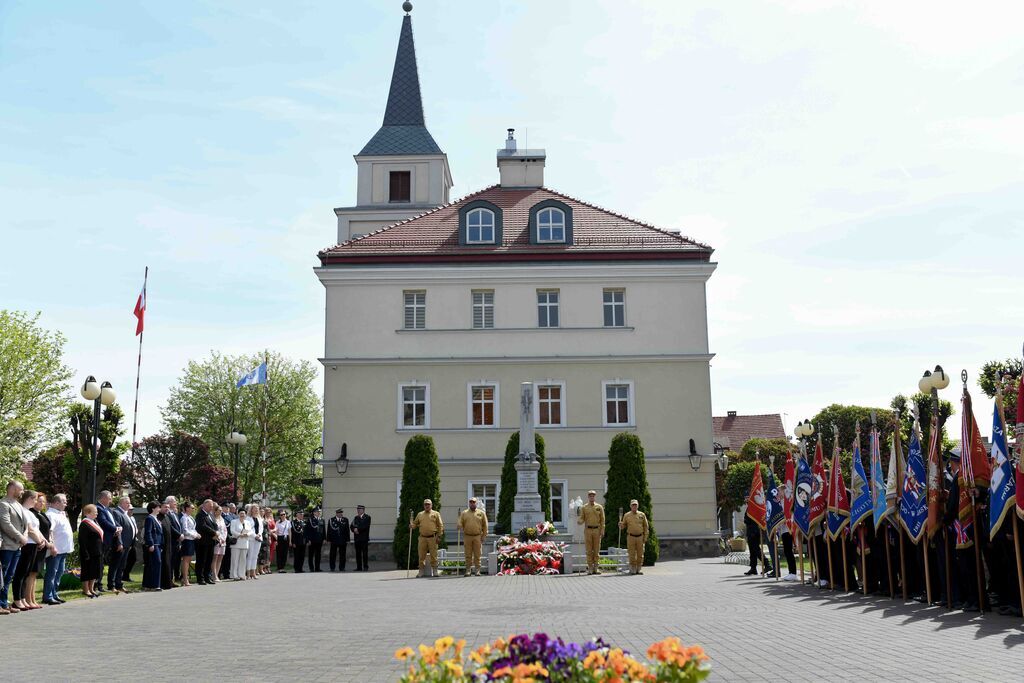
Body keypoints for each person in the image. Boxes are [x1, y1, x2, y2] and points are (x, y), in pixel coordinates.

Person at [11, 489, 45, 610]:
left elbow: (36, 529)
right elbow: (30, 530)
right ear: (29, 499)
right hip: (27, 544)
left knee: (26, 573)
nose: (36, 501)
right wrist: (39, 540)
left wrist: (42, 540)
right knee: (21, 573)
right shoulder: (23, 511)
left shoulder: (30, 512)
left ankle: (23, 598)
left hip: (34, 544)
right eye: (35, 499)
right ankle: (17, 599)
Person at [0, 480, 28, 614]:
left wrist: (25, 535)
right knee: (2, 575)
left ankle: (4, 603)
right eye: (20, 489)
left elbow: (25, 524)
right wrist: (20, 537)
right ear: (12, 489)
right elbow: (5, 524)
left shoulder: (17, 504)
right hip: (6, 545)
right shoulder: (3, 504)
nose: (22, 492)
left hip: (17, 546)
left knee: (9, 576)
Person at [44, 493, 73, 605]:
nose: (66, 503)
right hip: (55, 550)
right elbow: (49, 532)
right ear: (56, 502)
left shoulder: (61, 514)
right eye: (64, 501)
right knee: (52, 573)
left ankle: (54, 594)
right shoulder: (51, 514)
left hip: (63, 550)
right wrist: (52, 546)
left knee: (59, 573)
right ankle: (48, 596)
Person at [24, 493, 52, 609]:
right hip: (35, 544)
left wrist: (47, 542)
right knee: (31, 573)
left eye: (43, 501)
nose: (41, 503)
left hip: (41, 545)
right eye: (39, 501)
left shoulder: (42, 514)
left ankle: (33, 598)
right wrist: (42, 542)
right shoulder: (32, 513)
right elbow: (34, 530)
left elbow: (48, 530)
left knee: (35, 573)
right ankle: (28, 599)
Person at [95, 490, 121, 594]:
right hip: (103, 539)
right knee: (100, 564)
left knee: (103, 563)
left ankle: (100, 584)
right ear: (103, 498)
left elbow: (114, 521)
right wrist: (115, 529)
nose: (111, 500)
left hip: (111, 539)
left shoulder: (108, 509)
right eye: (109, 498)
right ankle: (98, 585)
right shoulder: (98, 508)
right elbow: (103, 522)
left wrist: (118, 527)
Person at [411, 499, 444, 578]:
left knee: (434, 555)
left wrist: (439, 536)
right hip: (422, 538)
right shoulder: (420, 514)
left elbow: (440, 525)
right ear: (424, 505)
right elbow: (415, 523)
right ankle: (421, 571)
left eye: (428, 504)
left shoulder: (436, 514)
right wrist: (412, 526)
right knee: (421, 555)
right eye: (425, 504)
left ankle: (435, 570)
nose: (427, 506)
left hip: (432, 537)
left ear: (431, 505)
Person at [111, 496, 137, 593]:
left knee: (122, 565)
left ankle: (119, 584)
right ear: (121, 503)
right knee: (116, 565)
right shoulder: (117, 512)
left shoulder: (125, 513)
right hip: (121, 544)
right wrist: (119, 543)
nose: (129, 505)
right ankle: (112, 584)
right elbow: (118, 529)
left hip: (127, 544)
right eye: (127, 503)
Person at [78, 504, 104, 599]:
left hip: (97, 551)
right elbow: (82, 540)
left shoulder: (95, 522)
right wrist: (85, 552)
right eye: (95, 511)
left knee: (95, 571)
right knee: (87, 571)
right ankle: (86, 590)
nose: (97, 513)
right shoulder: (84, 524)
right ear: (88, 512)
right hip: (89, 552)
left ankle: (91, 588)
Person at [457, 498, 488, 576]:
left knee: (477, 554)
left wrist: (484, 535)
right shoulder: (464, 513)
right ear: (469, 503)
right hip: (467, 536)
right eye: (470, 502)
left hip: (477, 536)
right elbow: (460, 522)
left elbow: (485, 525)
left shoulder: (481, 513)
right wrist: (459, 525)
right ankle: (468, 570)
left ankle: (477, 569)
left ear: (476, 503)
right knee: (468, 554)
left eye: (473, 502)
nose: (472, 503)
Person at [618, 499, 650, 575]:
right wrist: (620, 525)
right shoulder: (627, 515)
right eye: (633, 505)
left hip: (640, 537)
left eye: (635, 505)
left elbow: (646, 527)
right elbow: (623, 526)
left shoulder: (642, 515)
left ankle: (638, 568)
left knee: (640, 554)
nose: (634, 506)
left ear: (637, 505)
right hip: (631, 537)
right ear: (630, 506)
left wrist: (645, 537)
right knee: (631, 554)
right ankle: (632, 568)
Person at [577, 490, 605, 575]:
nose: (591, 497)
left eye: (593, 495)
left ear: (595, 496)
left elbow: (603, 519)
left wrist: (602, 529)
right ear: (588, 497)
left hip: (597, 529)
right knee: (589, 550)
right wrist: (579, 521)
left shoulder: (599, 507)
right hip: (588, 530)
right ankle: (590, 568)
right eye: (590, 496)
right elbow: (582, 518)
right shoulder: (584, 507)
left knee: (596, 549)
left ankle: (596, 567)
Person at [194, 499, 218, 585]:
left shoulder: (210, 515)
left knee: (209, 560)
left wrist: (217, 532)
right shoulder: (200, 515)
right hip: (202, 542)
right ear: (204, 506)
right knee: (201, 560)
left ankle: (207, 577)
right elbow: (202, 526)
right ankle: (200, 578)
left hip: (211, 541)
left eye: (212, 506)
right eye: (209, 506)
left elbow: (215, 525)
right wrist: (214, 532)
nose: (211, 508)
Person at [142, 501, 164, 591]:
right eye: (158, 507)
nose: (159, 509)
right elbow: (148, 532)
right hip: (154, 545)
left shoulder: (156, 518)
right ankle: (155, 585)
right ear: (153, 509)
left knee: (154, 564)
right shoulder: (150, 519)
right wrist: (150, 544)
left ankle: (149, 584)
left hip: (158, 544)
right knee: (156, 563)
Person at [179, 501, 200, 586]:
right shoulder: (184, 518)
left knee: (188, 559)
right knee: (186, 560)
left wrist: (196, 534)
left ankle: (185, 578)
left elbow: (192, 528)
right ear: (187, 508)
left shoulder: (190, 517)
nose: (193, 509)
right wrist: (195, 535)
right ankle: (185, 579)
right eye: (192, 508)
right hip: (187, 540)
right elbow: (185, 530)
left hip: (191, 540)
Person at [229, 508, 253, 580]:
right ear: (238, 514)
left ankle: (242, 574)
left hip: (245, 542)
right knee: (235, 559)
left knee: (243, 559)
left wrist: (247, 534)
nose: (242, 515)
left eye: (243, 513)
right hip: (236, 542)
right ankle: (234, 575)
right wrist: (239, 534)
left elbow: (251, 531)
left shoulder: (247, 522)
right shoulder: (234, 521)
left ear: (245, 515)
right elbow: (232, 531)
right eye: (241, 513)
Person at [165, 496, 184, 582]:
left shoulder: (175, 513)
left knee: (176, 561)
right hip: (172, 540)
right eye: (174, 501)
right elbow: (171, 527)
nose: (176, 503)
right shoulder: (167, 514)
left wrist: (181, 534)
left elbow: (179, 525)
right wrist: (178, 535)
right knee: (171, 561)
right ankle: (169, 579)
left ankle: (174, 578)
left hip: (177, 541)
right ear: (168, 503)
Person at [158, 502, 176, 589]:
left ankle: (168, 583)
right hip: (161, 544)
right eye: (165, 507)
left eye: (168, 507)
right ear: (160, 507)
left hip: (168, 544)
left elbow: (171, 528)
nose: (167, 509)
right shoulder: (157, 517)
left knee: (168, 563)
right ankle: (162, 583)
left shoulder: (167, 517)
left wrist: (179, 535)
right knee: (163, 563)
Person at [246, 504, 263, 580]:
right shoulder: (248, 518)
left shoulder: (259, 518)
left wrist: (259, 534)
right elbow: (249, 529)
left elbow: (261, 528)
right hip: (251, 539)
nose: (256, 510)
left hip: (258, 539)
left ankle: (253, 572)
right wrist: (254, 535)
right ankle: (248, 573)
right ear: (251, 510)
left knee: (255, 556)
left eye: (257, 509)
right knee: (250, 556)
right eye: (255, 509)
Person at [306, 508, 325, 572]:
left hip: (319, 540)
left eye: (319, 511)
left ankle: (317, 568)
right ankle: (311, 568)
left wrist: (324, 538)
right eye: (317, 512)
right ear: (314, 513)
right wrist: (308, 539)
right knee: (311, 555)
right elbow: (307, 531)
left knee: (318, 555)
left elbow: (323, 530)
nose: (319, 513)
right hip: (312, 540)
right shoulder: (310, 520)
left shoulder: (322, 520)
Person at [211, 505, 228, 582]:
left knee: (220, 558)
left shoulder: (222, 519)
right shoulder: (213, 519)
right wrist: (220, 538)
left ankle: (216, 574)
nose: (221, 512)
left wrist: (224, 538)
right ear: (215, 511)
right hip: (217, 540)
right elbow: (215, 530)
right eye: (219, 510)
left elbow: (225, 530)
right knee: (215, 557)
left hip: (223, 541)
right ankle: (213, 575)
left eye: (221, 510)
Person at [352, 504, 371, 571]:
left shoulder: (367, 517)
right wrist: (354, 529)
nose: (358, 511)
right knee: (358, 554)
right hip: (357, 539)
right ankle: (359, 567)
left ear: (363, 510)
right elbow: (352, 525)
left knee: (365, 553)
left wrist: (358, 529)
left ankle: (365, 567)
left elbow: (365, 526)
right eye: (357, 509)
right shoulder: (355, 518)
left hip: (364, 538)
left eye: (359, 509)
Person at [262, 509, 276, 575]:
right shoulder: (264, 519)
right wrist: (272, 533)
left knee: (271, 553)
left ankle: (268, 567)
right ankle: (264, 568)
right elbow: (267, 529)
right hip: (267, 538)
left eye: (270, 512)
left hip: (273, 538)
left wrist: (273, 532)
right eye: (267, 512)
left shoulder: (272, 519)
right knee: (266, 553)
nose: (268, 513)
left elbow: (275, 528)